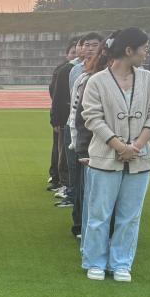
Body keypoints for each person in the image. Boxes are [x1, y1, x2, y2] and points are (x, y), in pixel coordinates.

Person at [80, 28, 150, 282]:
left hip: (140, 159)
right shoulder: (97, 81)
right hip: (105, 157)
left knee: (130, 216)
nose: (146, 53)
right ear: (129, 50)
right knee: (99, 214)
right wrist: (119, 146)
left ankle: (121, 262)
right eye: (144, 48)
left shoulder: (149, 79)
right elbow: (92, 117)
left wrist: (136, 146)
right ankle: (95, 261)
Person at [55, 33, 102, 208]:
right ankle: (74, 199)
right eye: (86, 45)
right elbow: (73, 98)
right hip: (73, 123)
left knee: (91, 167)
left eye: (94, 45)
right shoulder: (75, 70)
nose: (89, 49)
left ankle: (88, 203)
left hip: (93, 126)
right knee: (73, 164)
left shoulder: (104, 71)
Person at [47, 38, 79, 192]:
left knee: (69, 151)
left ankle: (66, 181)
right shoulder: (63, 70)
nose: (75, 55)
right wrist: (56, 119)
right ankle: (58, 179)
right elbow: (55, 93)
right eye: (72, 52)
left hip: (75, 116)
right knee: (61, 150)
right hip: (64, 116)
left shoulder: (87, 69)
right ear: (67, 55)